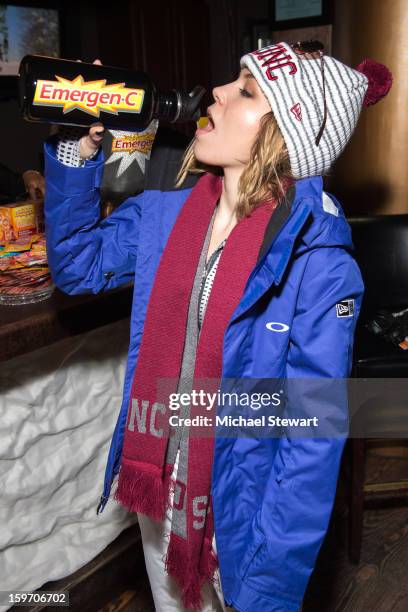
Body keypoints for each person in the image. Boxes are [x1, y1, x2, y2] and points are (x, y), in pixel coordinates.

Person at [43, 41, 392, 612]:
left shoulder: (320, 264)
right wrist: (75, 145)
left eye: (248, 91)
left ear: (284, 136)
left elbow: (311, 441)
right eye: (234, 80)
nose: (221, 92)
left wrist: (267, 583)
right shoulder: (167, 216)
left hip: (243, 507)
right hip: (158, 479)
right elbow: (79, 265)